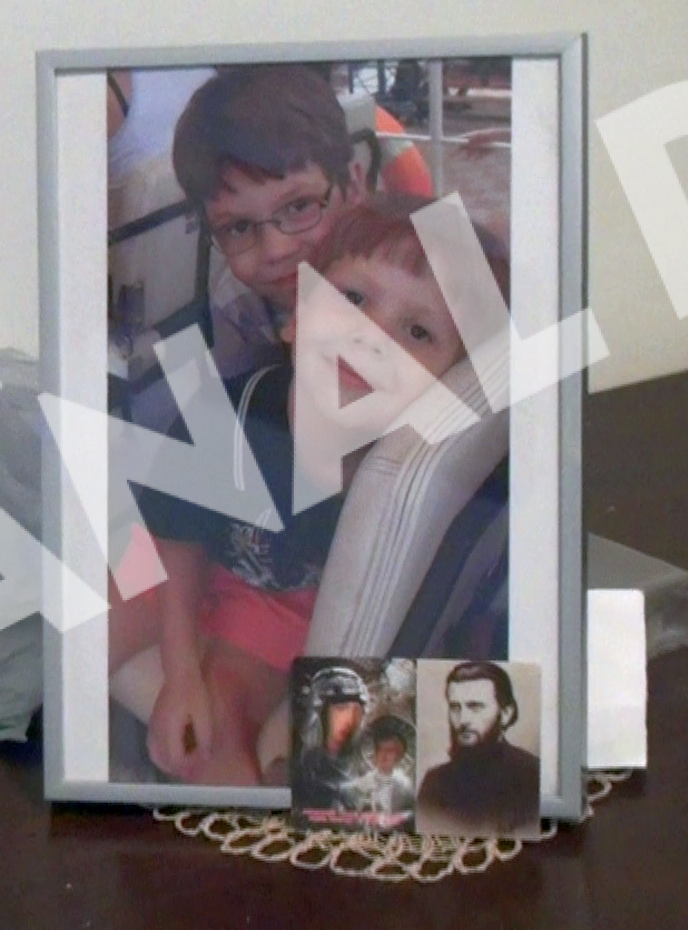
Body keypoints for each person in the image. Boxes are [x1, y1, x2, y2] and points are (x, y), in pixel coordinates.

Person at [110, 192, 508, 787]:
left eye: (418, 331)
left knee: (249, 742)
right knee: (88, 612)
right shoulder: (222, 415)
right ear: (296, 315)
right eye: (353, 299)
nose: (372, 337)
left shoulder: (407, 481)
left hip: (282, 603)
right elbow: (174, 547)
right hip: (175, 566)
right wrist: (181, 671)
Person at [171, 64, 366, 379]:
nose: (276, 250)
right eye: (239, 227)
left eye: (299, 206)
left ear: (354, 188)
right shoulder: (238, 306)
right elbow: (239, 404)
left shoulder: (425, 274)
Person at [417, 661, 540, 838]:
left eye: (475, 707)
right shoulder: (435, 781)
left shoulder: (532, 775)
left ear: (506, 714)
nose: (463, 720)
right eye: (455, 707)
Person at [293, 666, 370, 810]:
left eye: (356, 710)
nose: (350, 719)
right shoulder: (298, 776)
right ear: (319, 714)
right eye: (341, 708)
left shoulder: (373, 780)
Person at [344, 713, 414, 817]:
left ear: (399, 756)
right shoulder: (364, 782)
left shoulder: (405, 786)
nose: (384, 755)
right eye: (380, 750)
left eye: (390, 751)